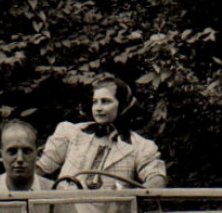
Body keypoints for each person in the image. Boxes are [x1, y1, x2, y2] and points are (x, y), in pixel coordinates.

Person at [37, 75, 168, 189]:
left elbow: (157, 178)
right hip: (66, 212)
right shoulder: (71, 132)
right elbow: (41, 168)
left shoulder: (139, 146)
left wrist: (135, 197)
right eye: (95, 102)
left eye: (106, 102)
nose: (98, 108)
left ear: (123, 104)